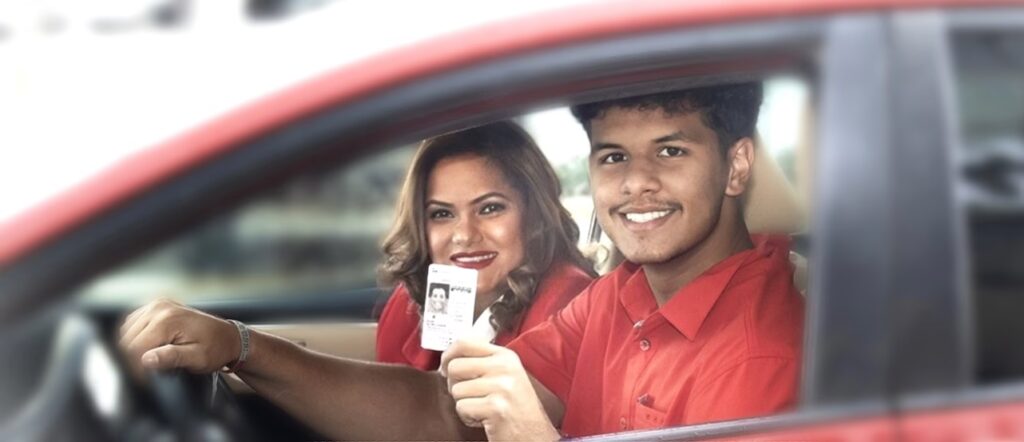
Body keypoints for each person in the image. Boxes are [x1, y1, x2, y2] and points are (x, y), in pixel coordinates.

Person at [120, 82, 803, 441]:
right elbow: (441, 416)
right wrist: (241, 346)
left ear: (737, 166)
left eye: (671, 151)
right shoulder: (621, 297)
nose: (635, 185)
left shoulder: (760, 358)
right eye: (613, 157)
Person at [375, 122, 596, 370]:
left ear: (534, 213)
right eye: (442, 214)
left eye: (490, 208)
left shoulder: (571, 302)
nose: (465, 235)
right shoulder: (410, 300)